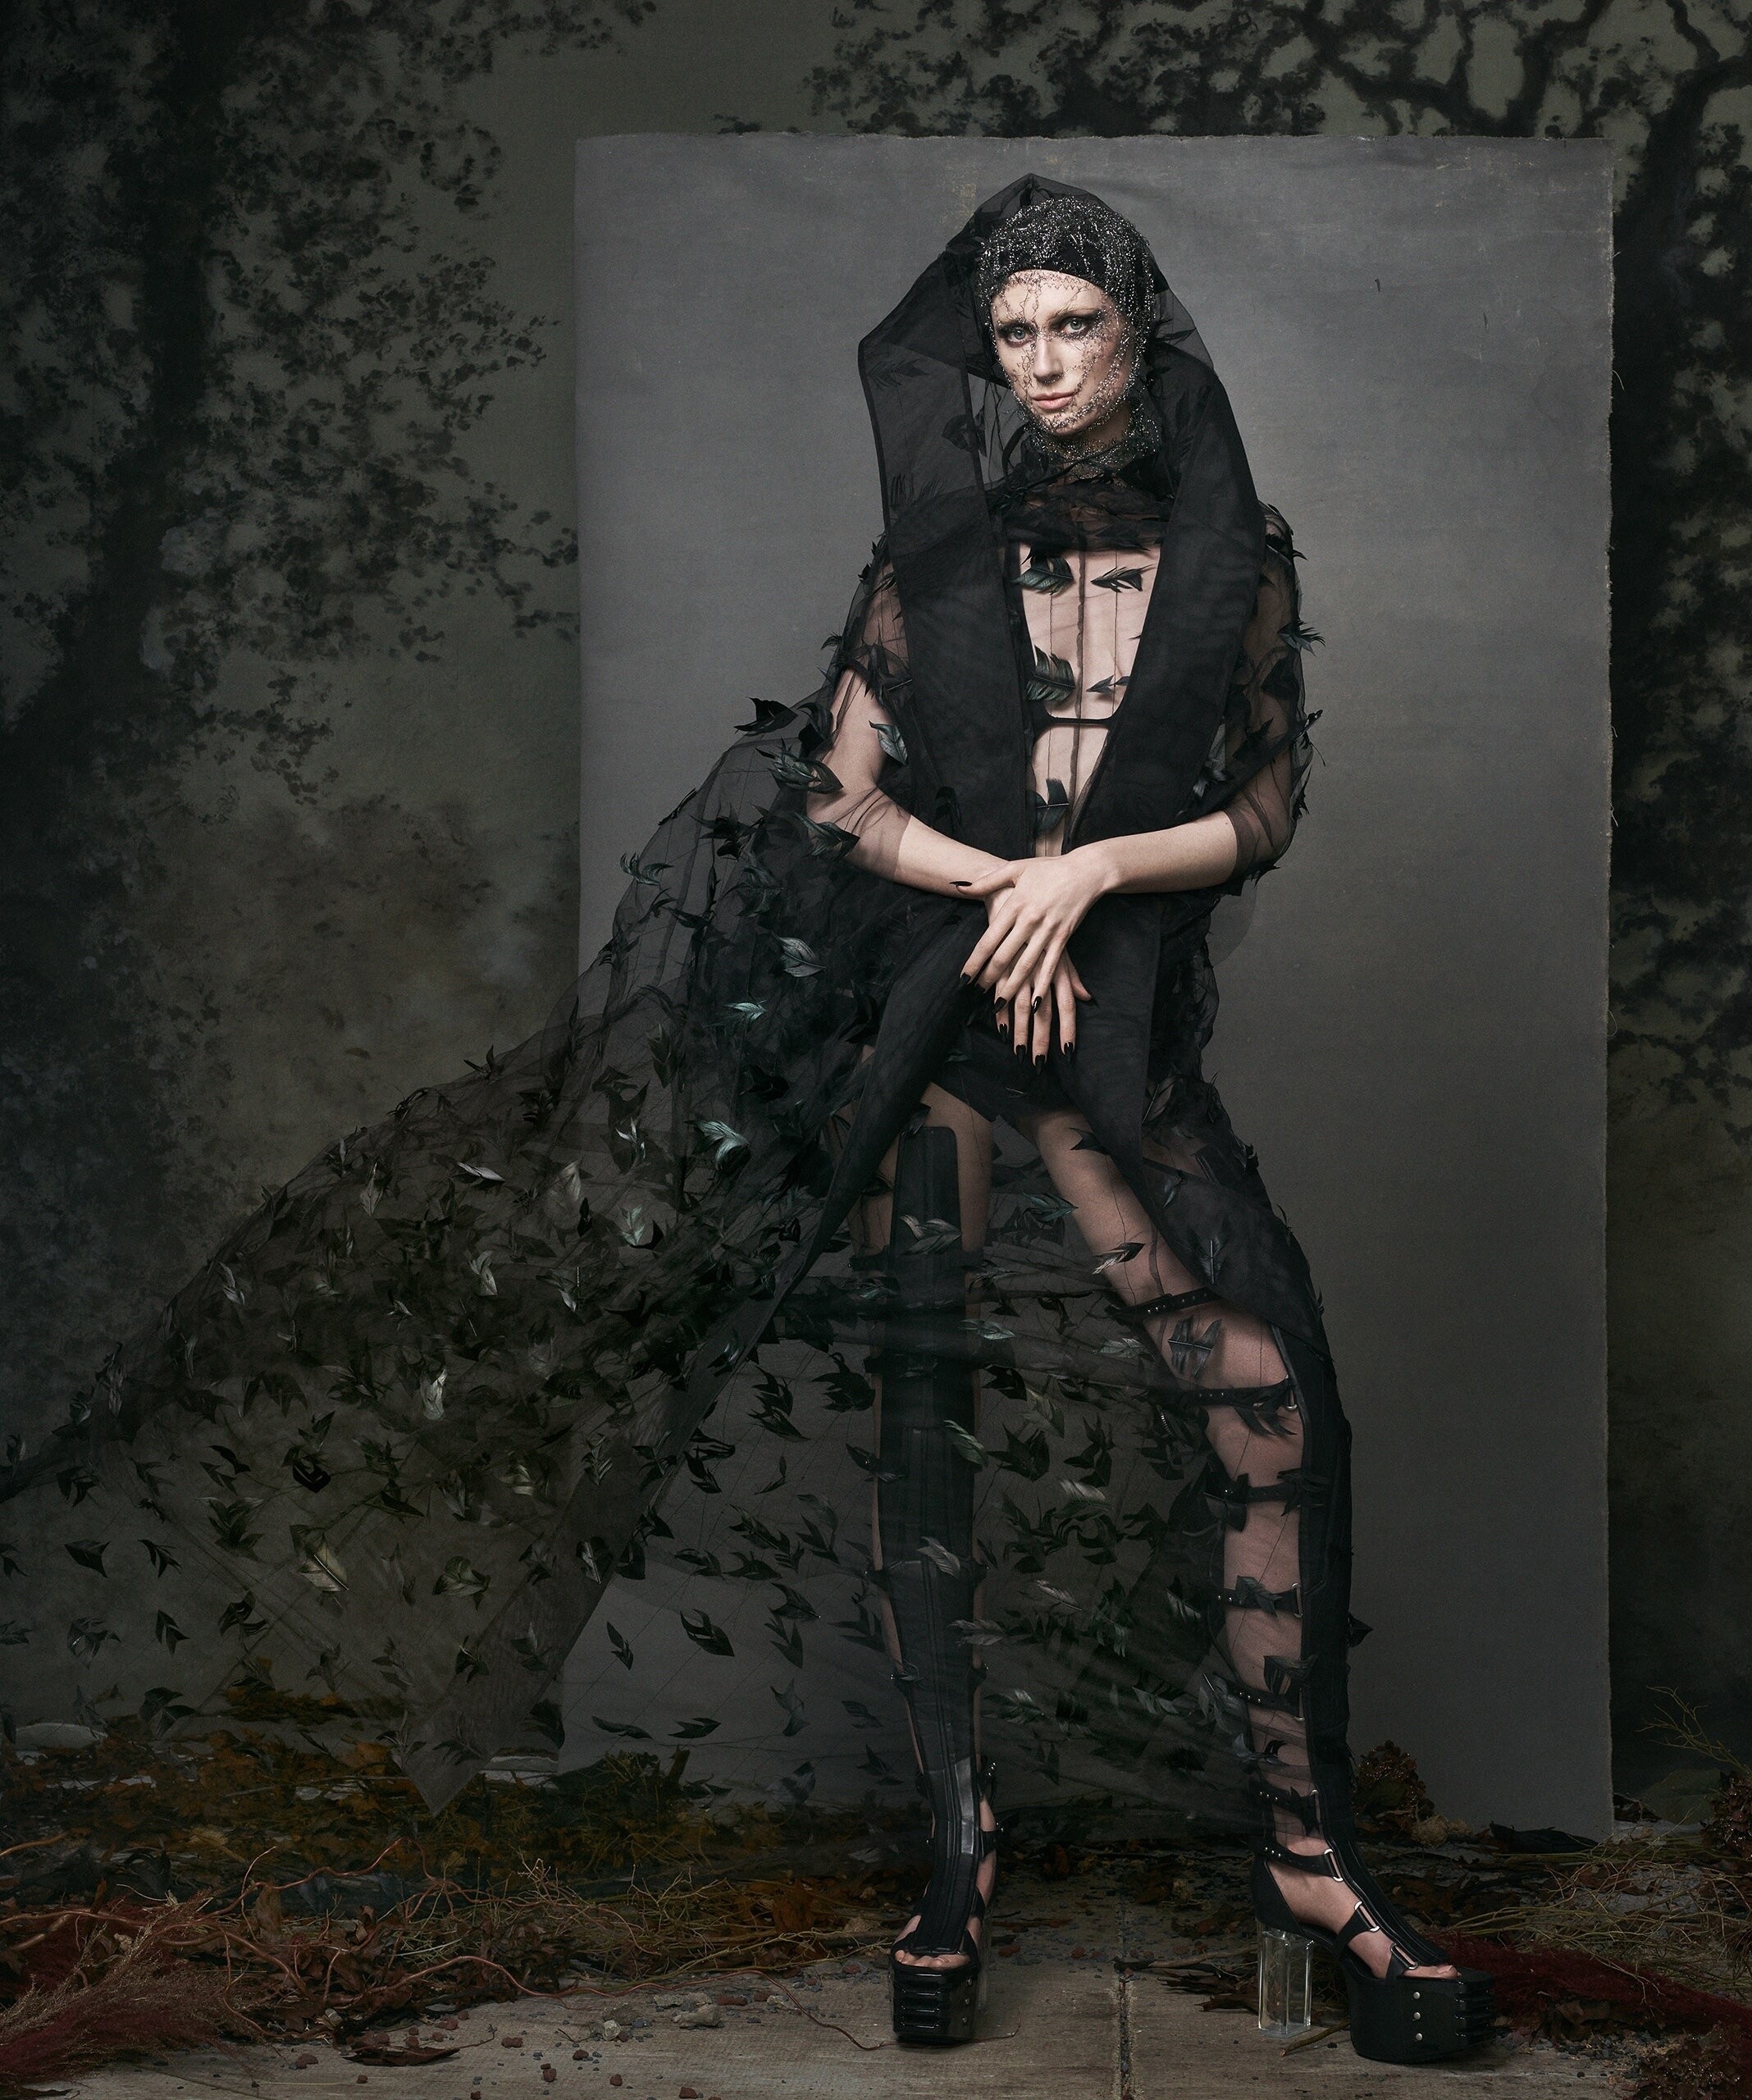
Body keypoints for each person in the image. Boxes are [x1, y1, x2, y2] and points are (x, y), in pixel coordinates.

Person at [0, 176, 1491, 2066]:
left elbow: (1263, 804)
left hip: (1110, 1034)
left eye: (1073, 328)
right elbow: (839, 798)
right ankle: (956, 1842)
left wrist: (1084, 877)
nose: (1041, 365)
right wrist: (1001, 889)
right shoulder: (936, 546)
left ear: (1138, 334)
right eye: (1012, 332)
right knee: (929, 1400)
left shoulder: (1229, 550)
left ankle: (1305, 1855)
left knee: (1263, 1385)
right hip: (933, 1020)